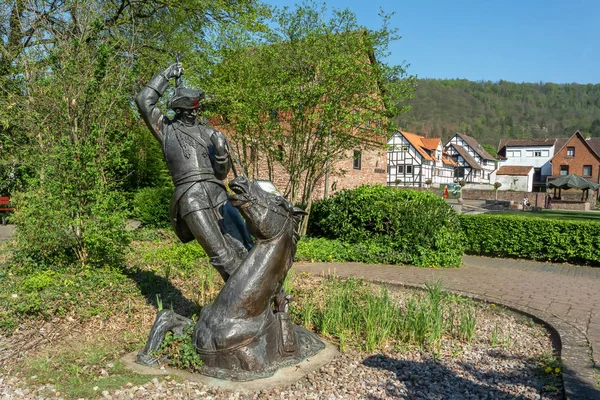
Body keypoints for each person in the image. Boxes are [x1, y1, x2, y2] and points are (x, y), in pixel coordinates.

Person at [135, 63, 252, 282]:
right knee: (222, 255)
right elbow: (143, 100)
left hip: (218, 194)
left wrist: (220, 152)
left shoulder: (210, 133)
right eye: (190, 112)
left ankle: (264, 300)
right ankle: (242, 302)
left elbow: (222, 173)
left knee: (245, 246)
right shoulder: (166, 129)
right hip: (190, 197)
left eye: (197, 111)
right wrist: (167, 73)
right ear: (180, 112)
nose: (195, 115)